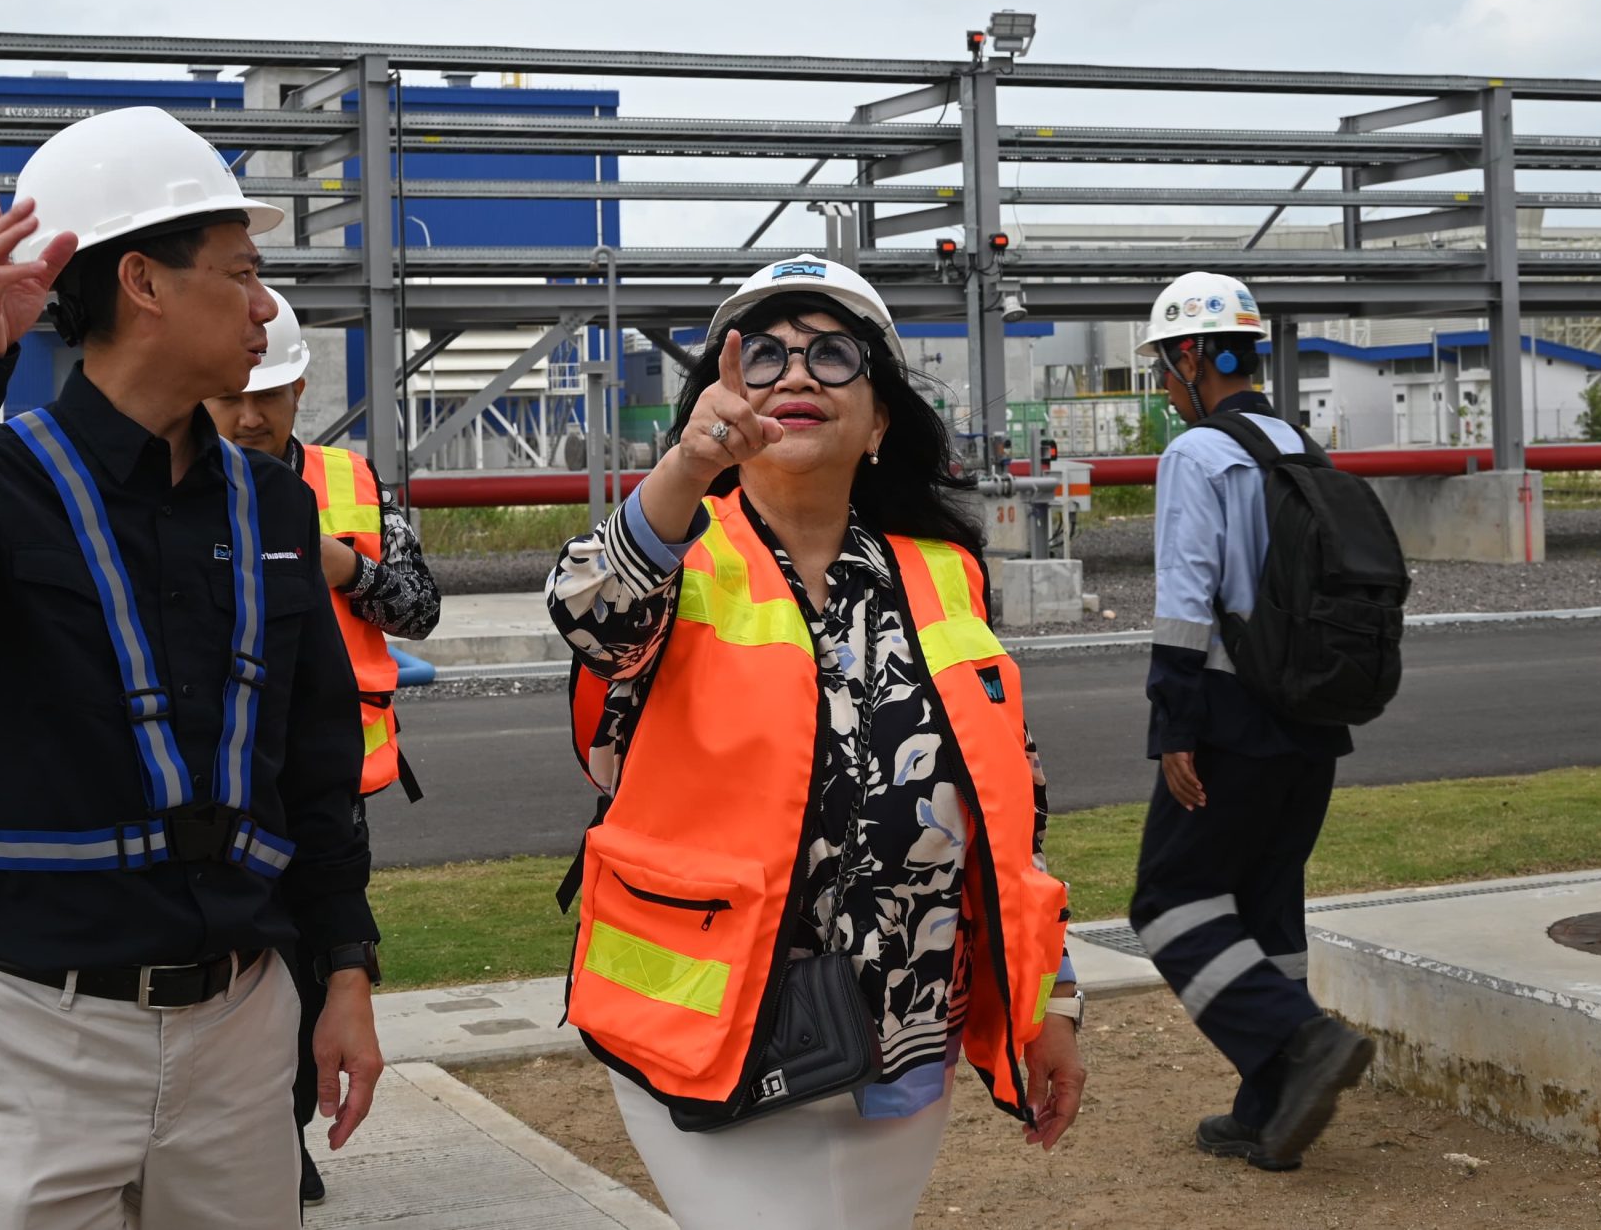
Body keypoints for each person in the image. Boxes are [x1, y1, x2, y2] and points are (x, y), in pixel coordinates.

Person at [0, 105, 383, 1230]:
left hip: (240, 1018)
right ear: (145, 284)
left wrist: (346, 969)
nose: (267, 305)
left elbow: (315, 760)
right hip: (34, 1030)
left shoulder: (271, 504)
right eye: (242, 270)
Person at [546, 253, 1083, 1230]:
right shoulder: (673, 547)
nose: (796, 375)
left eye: (832, 356)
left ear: (878, 419)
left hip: (901, 1042)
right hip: (711, 1031)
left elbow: (1014, 807)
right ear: (719, 393)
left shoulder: (943, 574)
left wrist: (1053, 998)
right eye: (764, 358)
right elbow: (591, 613)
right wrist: (686, 469)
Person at [1126, 270, 1373, 1171]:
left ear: (1194, 356)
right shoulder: (1300, 444)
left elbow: (1187, 599)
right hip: (1312, 720)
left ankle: (1302, 1041)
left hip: (1232, 716)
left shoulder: (1199, 453)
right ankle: (1272, 1111)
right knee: (1268, 906)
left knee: (1169, 901)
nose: (1162, 383)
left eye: (1164, 364)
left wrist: (1174, 725)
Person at [202, 288, 440, 1207]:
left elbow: (419, 603)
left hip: (325, 777)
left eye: (270, 395)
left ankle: (287, 1131)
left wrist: (345, 565)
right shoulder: (168, 485)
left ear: (302, 387)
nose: (250, 414)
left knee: (315, 959)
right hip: (213, 778)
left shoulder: (352, 484)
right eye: (233, 397)